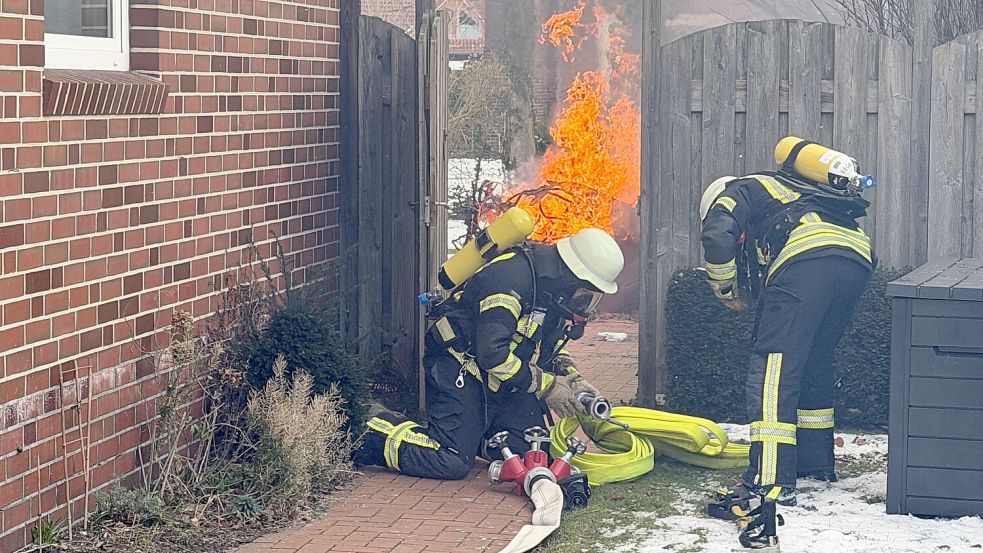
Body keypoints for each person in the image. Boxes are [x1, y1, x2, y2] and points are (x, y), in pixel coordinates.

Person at [356, 227, 624, 480]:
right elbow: (493, 354)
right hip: (459, 365)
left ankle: (477, 434)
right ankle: (368, 427)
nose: (585, 304)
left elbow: (549, 349)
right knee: (450, 459)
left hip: (500, 378)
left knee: (534, 450)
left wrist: (574, 380)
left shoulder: (550, 290)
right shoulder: (510, 279)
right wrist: (549, 387)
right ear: (572, 277)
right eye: (585, 294)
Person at [699, 158, 873, 508]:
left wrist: (725, 287)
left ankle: (770, 480)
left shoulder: (739, 190)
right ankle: (814, 465)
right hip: (856, 259)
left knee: (773, 368)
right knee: (813, 363)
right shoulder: (793, 195)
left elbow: (717, 234)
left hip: (809, 259)